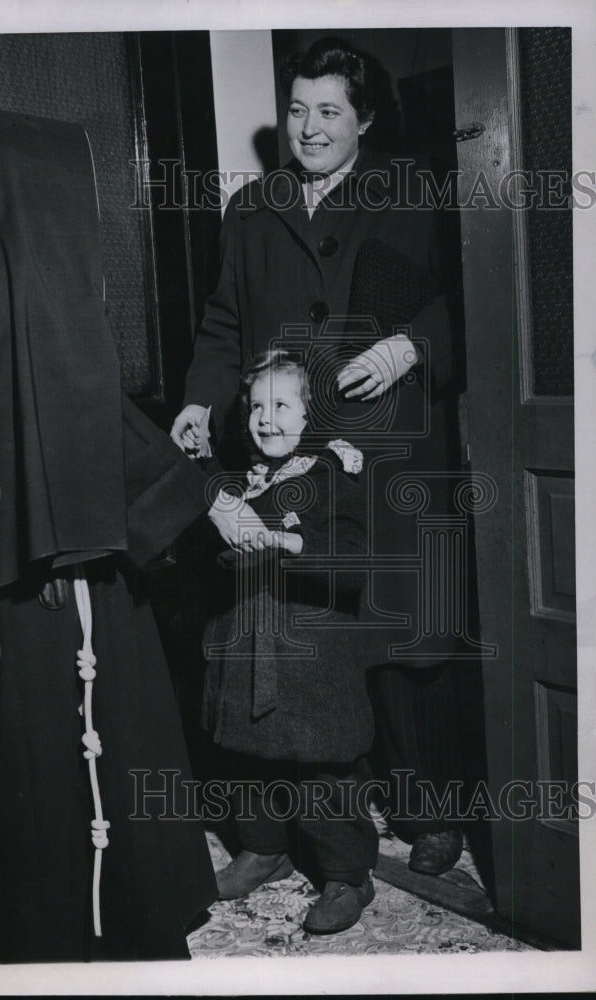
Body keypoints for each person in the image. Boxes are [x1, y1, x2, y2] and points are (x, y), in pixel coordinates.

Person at [0, 107, 217, 964]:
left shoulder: (7, 311)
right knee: (51, 773)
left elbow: (86, 418)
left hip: (69, 576)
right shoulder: (3, 316)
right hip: (37, 593)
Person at [172, 36, 465, 875]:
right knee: (298, 629)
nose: (308, 128)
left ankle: (430, 810)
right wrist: (199, 396)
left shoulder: (412, 192)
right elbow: (224, 326)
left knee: (412, 630)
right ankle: (300, 828)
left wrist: (411, 347)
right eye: (296, 110)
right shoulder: (252, 208)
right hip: (294, 457)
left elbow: (469, 302)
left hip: (394, 450)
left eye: (328, 111)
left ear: (364, 118)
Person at [202, 350, 377, 934]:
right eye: (256, 406)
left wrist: (290, 546)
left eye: (281, 405)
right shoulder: (240, 480)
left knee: (323, 766)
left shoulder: (332, 475)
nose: (265, 418)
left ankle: (348, 872)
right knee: (247, 756)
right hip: (248, 643)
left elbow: (353, 564)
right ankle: (263, 849)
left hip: (313, 655)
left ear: (311, 415)